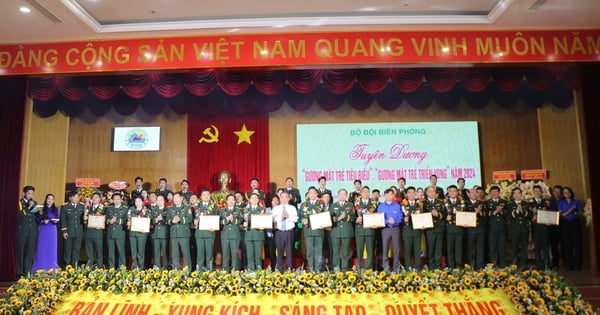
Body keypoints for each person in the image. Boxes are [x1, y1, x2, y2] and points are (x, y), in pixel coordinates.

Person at [299, 187, 325, 272]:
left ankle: (317, 269)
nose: (312, 194)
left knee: (318, 252)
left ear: (317, 194)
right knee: (309, 251)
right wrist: (303, 220)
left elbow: (325, 215)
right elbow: (301, 216)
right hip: (308, 230)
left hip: (319, 230)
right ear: (308, 194)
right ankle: (310, 268)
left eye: (314, 193)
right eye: (310, 193)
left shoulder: (321, 203)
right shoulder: (304, 204)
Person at [31, 194, 59, 271]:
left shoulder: (56, 209)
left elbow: (57, 219)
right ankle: (40, 266)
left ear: (53, 200)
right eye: (48, 199)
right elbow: (36, 219)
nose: (50, 200)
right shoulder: (41, 208)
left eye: (51, 199)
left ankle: (51, 267)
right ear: (46, 199)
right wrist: (42, 220)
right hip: (43, 229)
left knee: (52, 248)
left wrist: (52, 220)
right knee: (42, 247)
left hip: (52, 230)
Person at [557, 187, 583, 271]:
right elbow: (561, 215)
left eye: (568, 192)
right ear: (563, 194)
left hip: (575, 223)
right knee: (567, 244)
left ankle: (578, 264)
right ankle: (569, 264)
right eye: (565, 192)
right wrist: (570, 211)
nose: (567, 193)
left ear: (571, 193)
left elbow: (581, 213)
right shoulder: (561, 202)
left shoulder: (576, 201)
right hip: (565, 224)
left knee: (577, 244)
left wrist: (575, 212)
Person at [330, 189, 355, 271]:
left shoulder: (350, 205)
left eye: (344, 194)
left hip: (346, 232)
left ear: (346, 196)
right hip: (335, 232)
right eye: (340, 194)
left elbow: (353, 218)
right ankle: (336, 269)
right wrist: (338, 218)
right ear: (338, 195)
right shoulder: (333, 205)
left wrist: (346, 217)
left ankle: (344, 269)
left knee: (345, 252)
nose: (342, 196)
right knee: (336, 252)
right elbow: (329, 218)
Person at [192, 190, 218, 271]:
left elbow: (217, 218)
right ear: (201, 196)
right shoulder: (196, 206)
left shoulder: (215, 206)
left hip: (210, 233)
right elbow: (191, 218)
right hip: (199, 233)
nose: (206, 196)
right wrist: (194, 222)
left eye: (208, 194)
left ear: (210, 196)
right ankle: (199, 269)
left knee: (209, 253)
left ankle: (209, 270)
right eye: (204, 194)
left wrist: (215, 227)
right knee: (200, 253)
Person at [379, 188, 404, 272]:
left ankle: (396, 268)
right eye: (387, 194)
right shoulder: (381, 206)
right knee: (385, 249)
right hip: (385, 229)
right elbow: (378, 218)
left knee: (396, 249)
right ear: (384, 196)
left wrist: (395, 221)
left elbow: (400, 217)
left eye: (391, 194)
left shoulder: (397, 205)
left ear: (393, 195)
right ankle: (386, 268)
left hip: (395, 229)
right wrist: (387, 221)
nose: (389, 196)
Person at [507, 188, 532, 269]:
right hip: (514, 230)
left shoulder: (526, 204)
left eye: (519, 193)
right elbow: (509, 216)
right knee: (514, 248)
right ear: (513, 195)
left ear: (521, 194)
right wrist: (517, 211)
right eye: (515, 193)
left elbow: (530, 215)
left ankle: (524, 265)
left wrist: (523, 212)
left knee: (524, 248)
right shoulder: (509, 204)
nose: (517, 195)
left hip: (524, 229)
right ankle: (514, 265)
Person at [272, 191, 298, 272]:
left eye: (285, 197)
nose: (283, 199)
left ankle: (290, 269)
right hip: (279, 232)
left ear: (288, 198)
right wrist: (281, 217)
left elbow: (296, 219)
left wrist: (288, 216)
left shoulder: (292, 208)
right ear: (279, 198)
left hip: (289, 232)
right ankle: (280, 270)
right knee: (279, 252)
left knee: (289, 251)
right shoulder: (276, 208)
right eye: (282, 197)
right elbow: (272, 220)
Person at [16, 185, 38, 278]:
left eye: (32, 194)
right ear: (24, 193)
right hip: (22, 230)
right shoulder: (20, 203)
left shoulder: (35, 203)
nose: (30, 195)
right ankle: (19, 271)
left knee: (29, 250)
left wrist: (40, 213)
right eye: (29, 193)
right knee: (21, 250)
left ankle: (27, 270)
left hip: (32, 230)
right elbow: (20, 215)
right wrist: (29, 207)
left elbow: (36, 216)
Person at [167, 193, 193, 269]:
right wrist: (172, 221)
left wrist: (180, 219)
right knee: (174, 253)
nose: (175, 200)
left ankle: (187, 270)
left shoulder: (187, 208)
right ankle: (176, 270)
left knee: (186, 253)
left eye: (177, 198)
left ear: (181, 199)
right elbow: (167, 220)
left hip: (184, 233)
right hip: (174, 234)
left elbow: (189, 218)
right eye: (174, 198)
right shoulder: (170, 208)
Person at [61, 191, 85, 267]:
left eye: (78, 197)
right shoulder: (65, 206)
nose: (77, 199)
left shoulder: (82, 206)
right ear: (70, 198)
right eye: (75, 197)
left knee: (76, 249)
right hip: (69, 231)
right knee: (67, 249)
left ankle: (75, 265)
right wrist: (64, 231)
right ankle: (67, 265)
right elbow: (63, 219)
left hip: (78, 231)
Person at [355, 186, 376, 270]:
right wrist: (357, 220)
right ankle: (360, 268)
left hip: (370, 230)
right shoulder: (356, 203)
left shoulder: (373, 203)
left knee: (370, 250)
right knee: (359, 251)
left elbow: (377, 215)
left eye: (367, 192)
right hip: (359, 230)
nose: (365, 193)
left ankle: (369, 268)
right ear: (360, 193)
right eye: (364, 192)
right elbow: (352, 216)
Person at [464, 187, 486, 269]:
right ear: (468, 194)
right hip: (469, 230)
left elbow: (485, 215)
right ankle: (469, 266)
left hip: (480, 229)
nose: (474, 194)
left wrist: (480, 212)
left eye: (475, 193)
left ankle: (480, 266)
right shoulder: (465, 203)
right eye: (472, 193)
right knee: (469, 249)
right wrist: (475, 212)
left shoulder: (481, 203)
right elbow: (464, 216)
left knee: (480, 249)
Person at [243, 193, 266, 270]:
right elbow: (241, 222)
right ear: (249, 200)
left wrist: (263, 226)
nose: (254, 199)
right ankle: (251, 271)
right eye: (252, 198)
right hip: (248, 234)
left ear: (258, 200)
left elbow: (266, 221)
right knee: (249, 255)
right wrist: (244, 225)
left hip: (258, 234)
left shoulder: (262, 209)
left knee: (258, 255)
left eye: (255, 198)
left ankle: (259, 272)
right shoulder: (245, 210)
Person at [531, 185, 551, 269]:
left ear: (541, 192)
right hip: (535, 228)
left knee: (546, 246)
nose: (537, 193)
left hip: (545, 227)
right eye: (535, 191)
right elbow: (528, 216)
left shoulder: (546, 202)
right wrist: (532, 218)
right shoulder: (530, 203)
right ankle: (539, 264)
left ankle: (547, 263)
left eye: (539, 191)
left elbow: (551, 214)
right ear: (533, 192)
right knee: (537, 246)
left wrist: (550, 220)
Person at [486, 186, 508, 267]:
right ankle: (494, 265)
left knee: (501, 248)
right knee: (493, 248)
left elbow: (508, 215)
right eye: (492, 192)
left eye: (496, 192)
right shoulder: (487, 203)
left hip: (502, 228)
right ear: (490, 193)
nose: (494, 193)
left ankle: (502, 265)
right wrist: (495, 211)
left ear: (499, 192)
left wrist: (501, 211)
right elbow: (486, 215)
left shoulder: (504, 202)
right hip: (492, 229)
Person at [444, 185, 465, 269]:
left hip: (459, 228)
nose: (452, 193)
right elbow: (441, 215)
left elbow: (465, 214)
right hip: (448, 229)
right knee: (449, 249)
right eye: (450, 191)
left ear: (457, 192)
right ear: (448, 193)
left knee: (459, 249)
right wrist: (446, 218)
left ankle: (459, 266)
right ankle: (451, 267)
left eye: (454, 191)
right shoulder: (444, 202)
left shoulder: (462, 202)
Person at [220, 194, 242, 271]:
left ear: (235, 201)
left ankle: (235, 269)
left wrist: (232, 220)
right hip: (225, 235)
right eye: (229, 199)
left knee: (234, 253)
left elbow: (240, 221)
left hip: (235, 234)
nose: (231, 201)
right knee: (225, 253)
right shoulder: (222, 210)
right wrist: (226, 220)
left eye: (233, 199)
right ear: (226, 201)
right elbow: (219, 222)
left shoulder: (238, 210)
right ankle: (225, 269)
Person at [402, 187, 422, 270]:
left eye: (413, 193)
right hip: (407, 230)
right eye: (409, 193)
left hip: (417, 230)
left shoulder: (419, 204)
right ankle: (408, 268)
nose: (411, 194)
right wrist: (404, 219)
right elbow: (401, 216)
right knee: (408, 251)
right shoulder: (403, 204)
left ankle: (417, 268)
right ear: (406, 194)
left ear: (416, 194)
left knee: (417, 251)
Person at [106, 193, 128, 268]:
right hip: (110, 233)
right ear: (112, 200)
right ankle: (111, 268)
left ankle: (122, 269)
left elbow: (126, 220)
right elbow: (105, 218)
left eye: (118, 199)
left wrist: (116, 220)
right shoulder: (109, 208)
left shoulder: (125, 208)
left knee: (121, 252)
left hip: (120, 233)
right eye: (114, 199)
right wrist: (109, 221)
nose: (116, 201)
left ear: (121, 199)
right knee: (111, 252)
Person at [84, 192, 105, 267]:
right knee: (89, 253)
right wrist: (84, 219)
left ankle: (99, 268)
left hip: (98, 233)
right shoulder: (88, 207)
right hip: (89, 233)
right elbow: (84, 220)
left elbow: (105, 219)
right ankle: (89, 268)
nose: (95, 199)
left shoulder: (103, 208)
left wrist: (102, 224)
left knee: (99, 253)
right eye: (93, 197)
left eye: (97, 197)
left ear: (100, 199)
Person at [129, 197, 150, 269]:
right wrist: (128, 223)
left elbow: (148, 222)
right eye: (136, 201)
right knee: (133, 251)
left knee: (141, 251)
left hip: (142, 233)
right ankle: (134, 266)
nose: (137, 203)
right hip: (132, 233)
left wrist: (145, 228)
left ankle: (141, 267)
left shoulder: (147, 211)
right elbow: (128, 219)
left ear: (142, 202)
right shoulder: (131, 210)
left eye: (139, 201)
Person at [150, 195, 169, 268]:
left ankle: (165, 267)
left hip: (164, 233)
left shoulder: (167, 209)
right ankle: (157, 266)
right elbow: (151, 221)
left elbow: (169, 220)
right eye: (158, 200)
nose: (159, 201)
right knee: (156, 252)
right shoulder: (154, 210)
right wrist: (156, 220)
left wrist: (163, 219)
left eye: (161, 200)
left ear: (164, 201)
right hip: (155, 234)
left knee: (165, 251)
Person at [548, 185, 563, 269]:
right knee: (554, 246)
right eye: (555, 192)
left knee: (565, 245)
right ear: (553, 192)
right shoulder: (549, 201)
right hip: (552, 227)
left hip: (563, 226)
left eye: (559, 192)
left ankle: (567, 262)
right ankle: (555, 263)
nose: (557, 193)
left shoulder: (564, 201)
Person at [264, 195, 279, 271]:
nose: (275, 202)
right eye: (274, 200)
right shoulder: (267, 210)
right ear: (271, 202)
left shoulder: (281, 210)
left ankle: (279, 267)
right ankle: (273, 267)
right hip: (270, 234)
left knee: (280, 251)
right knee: (271, 251)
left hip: (278, 233)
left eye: (277, 200)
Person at [320, 192, 333, 271]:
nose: (326, 199)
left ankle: (331, 265)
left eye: (328, 197)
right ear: (321, 198)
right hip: (321, 230)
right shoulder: (318, 207)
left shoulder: (333, 206)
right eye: (325, 197)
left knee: (331, 248)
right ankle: (322, 265)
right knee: (321, 249)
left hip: (330, 230)